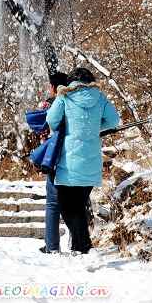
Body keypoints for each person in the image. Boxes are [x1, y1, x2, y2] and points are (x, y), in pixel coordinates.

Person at [45, 67, 120, 254]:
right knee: (78, 206)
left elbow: (52, 121)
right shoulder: (100, 97)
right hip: (92, 162)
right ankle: (80, 247)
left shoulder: (64, 96)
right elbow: (113, 121)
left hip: (69, 162)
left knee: (66, 207)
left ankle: (84, 246)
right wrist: (95, 128)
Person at [40, 71, 69, 253]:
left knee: (52, 203)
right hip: (74, 156)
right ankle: (77, 245)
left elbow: (42, 129)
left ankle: (52, 246)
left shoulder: (50, 104)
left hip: (55, 157)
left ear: (53, 87)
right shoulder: (74, 103)